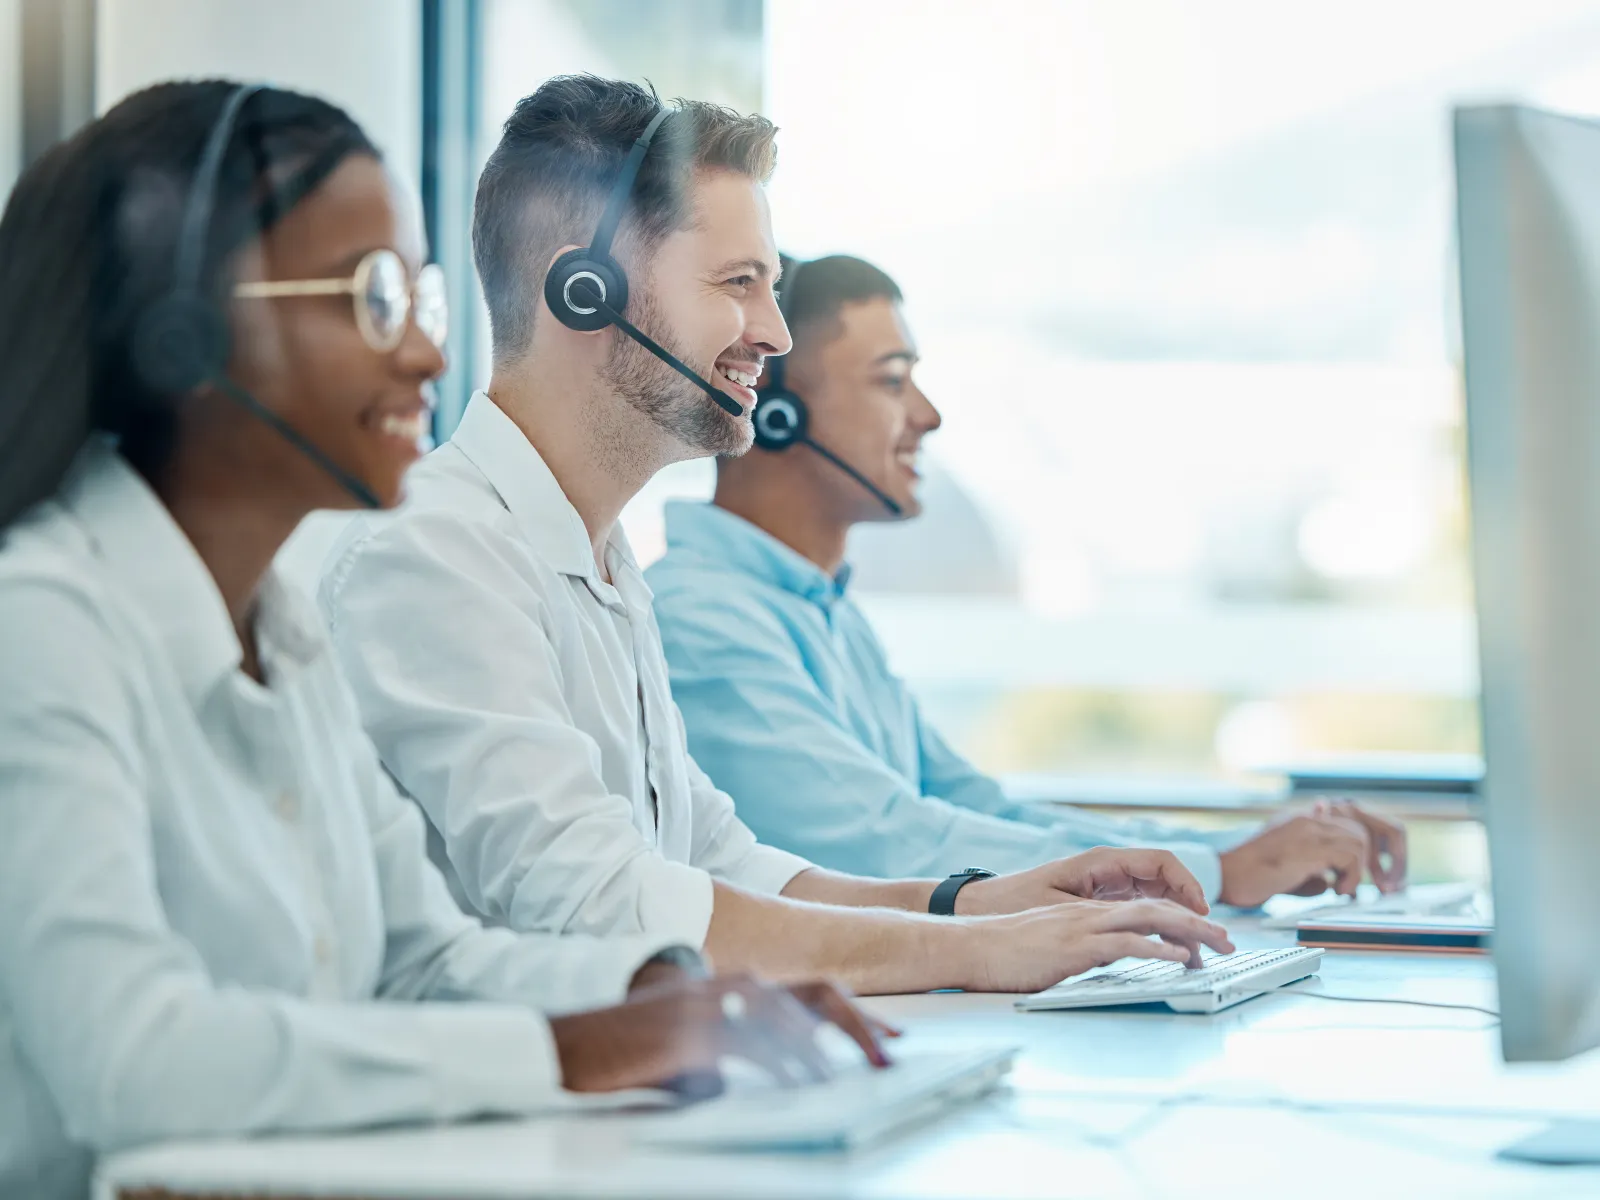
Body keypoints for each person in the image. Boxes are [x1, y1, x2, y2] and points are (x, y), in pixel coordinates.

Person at [0, 81, 889, 1200]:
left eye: (419, 295)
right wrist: (580, 1048)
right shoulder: (40, 630)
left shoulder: (282, 630)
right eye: (375, 299)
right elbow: (134, 1058)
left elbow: (423, 963)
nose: (427, 353)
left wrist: (669, 992)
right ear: (188, 330)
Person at [317, 74, 1235, 998]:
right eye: (738, 284)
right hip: (498, 1123)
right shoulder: (435, 555)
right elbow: (598, 903)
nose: (775, 331)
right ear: (585, 291)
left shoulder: (602, 566)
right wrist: (977, 954)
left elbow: (727, 866)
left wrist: (983, 905)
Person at [647, 253, 1409, 909]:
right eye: (892, 381)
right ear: (773, 409)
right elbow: (888, 842)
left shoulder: (816, 608)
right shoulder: (702, 619)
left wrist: (1236, 852)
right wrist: (1223, 872)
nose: (928, 415)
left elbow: (972, 806)